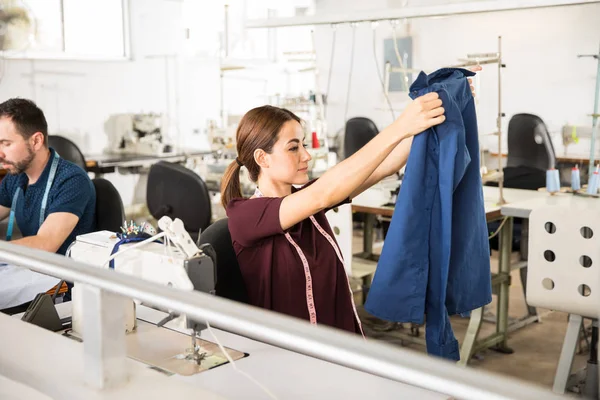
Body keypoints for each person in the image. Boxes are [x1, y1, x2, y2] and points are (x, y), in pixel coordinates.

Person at [221, 74, 478, 334]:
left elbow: (385, 166)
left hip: (340, 347)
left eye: (304, 145)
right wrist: (399, 126)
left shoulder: (308, 204)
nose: (306, 155)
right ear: (262, 158)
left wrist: (444, 106)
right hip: (290, 356)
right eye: (293, 148)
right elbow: (324, 193)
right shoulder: (245, 216)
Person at [0, 98, 96, 256]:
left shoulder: (71, 180)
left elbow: (45, 244)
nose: (0, 154)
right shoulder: (17, 176)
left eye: (6, 144)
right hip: (34, 271)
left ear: (36, 141)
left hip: (67, 276)